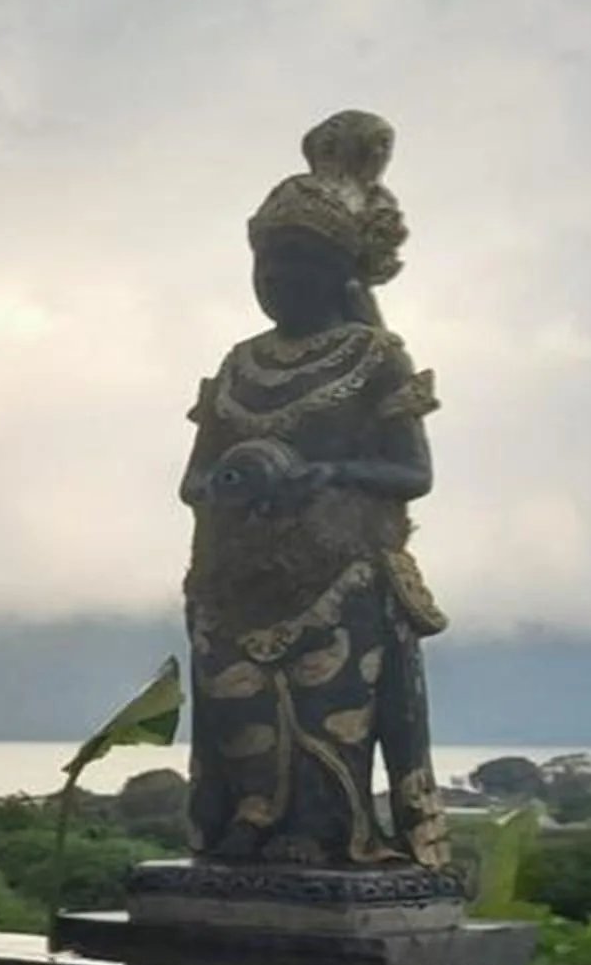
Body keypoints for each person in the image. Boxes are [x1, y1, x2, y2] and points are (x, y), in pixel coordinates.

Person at [179, 109, 449, 869]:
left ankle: (327, 835)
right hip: (232, 582)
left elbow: (413, 473)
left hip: (338, 579)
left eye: (298, 265)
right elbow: (194, 479)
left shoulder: (374, 357)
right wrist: (230, 487)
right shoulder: (239, 363)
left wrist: (326, 475)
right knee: (239, 718)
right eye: (267, 266)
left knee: (328, 715)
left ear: (339, 274)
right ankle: (247, 825)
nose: (277, 282)